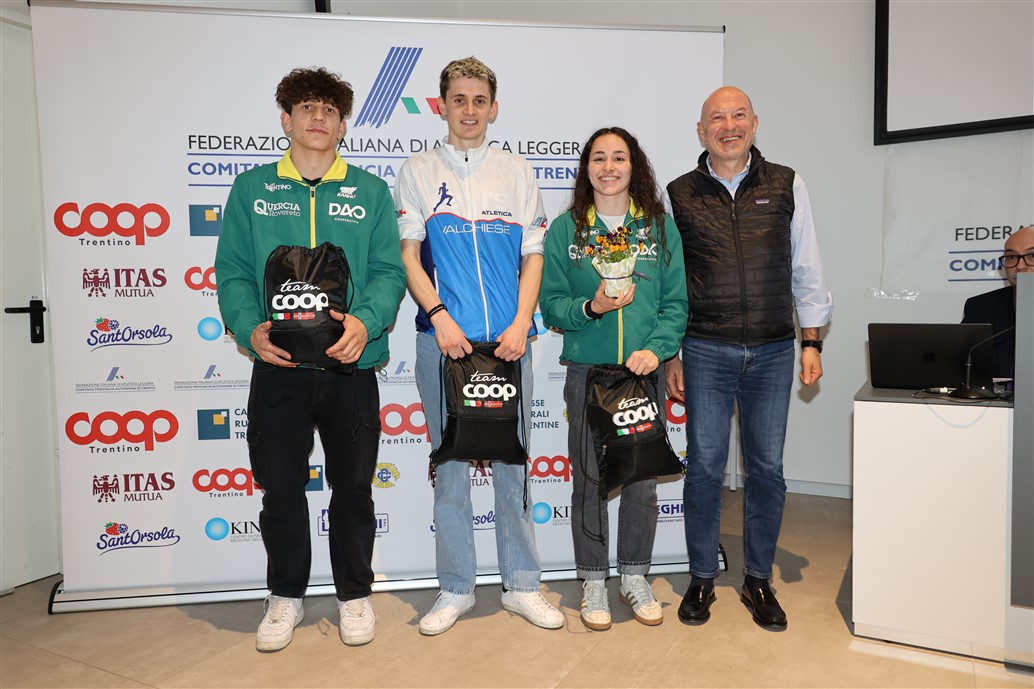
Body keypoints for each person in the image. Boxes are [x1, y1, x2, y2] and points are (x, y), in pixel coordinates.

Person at [215, 67, 406, 651]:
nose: (318, 118)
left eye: (329, 109)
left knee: (353, 490)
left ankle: (354, 595)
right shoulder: (251, 188)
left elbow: (388, 271)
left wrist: (365, 322)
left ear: (342, 124)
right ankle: (285, 596)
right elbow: (233, 272)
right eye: (307, 108)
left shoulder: (370, 191)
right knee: (280, 490)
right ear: (286, 119)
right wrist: (248, 329)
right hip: (279, 369)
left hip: (351, 368)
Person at [394, 56, 563, 635]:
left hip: (510, 343)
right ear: (442, 105)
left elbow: (534, 255)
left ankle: (523, 585)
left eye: (479, 100)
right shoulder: (417, 170)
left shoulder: (516, 171)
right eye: (458, 99)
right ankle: (456, 588)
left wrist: (521, 323)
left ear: (494, 108)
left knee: (514, 464)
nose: (469, 109)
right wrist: (439, 317)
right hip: (443, 342)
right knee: (451, 467)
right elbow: (409, 256)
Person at [664, 86, 833, 631]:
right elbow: (669, 281)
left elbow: (807, 266)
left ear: (755, 123)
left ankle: (758, 580)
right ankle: (701, 577)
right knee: (704, 469)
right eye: (718, 118)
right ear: (701, 131)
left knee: (766, 470)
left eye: (739, 115)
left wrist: (811, 342)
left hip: (773, 350)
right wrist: (672, 354)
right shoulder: (677, 193)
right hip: (704, 349)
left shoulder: (787, 183)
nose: (729, 126)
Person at [540, 127, 687, 631]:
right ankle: (592, 580)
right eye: (598, 158)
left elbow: (675, 303)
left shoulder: (659, 228)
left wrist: (657, 350)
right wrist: (591, 307)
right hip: (588, 373)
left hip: (643, 372)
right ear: (586, 169)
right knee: (590, 480)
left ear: (633, 166)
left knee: (641, 480)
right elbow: (551, 303)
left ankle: (635, 575)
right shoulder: (567, 230)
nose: (608, 167)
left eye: (618, 158)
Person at [962, 225, 1033, 379]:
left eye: (1032, 256)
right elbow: (959, 369)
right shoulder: (980, 307)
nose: (1020, 266)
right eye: (1011, 257)